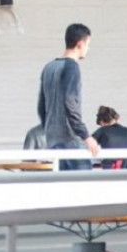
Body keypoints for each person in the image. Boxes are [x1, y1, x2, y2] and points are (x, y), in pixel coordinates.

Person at [38, 23, 100, 171]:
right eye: (87, 45)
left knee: (61, 187)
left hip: (52, 139)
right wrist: (86, 136)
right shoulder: (72, 67)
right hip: (70, 139)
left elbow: (42, 106)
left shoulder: (49, 67)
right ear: (80, 44)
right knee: (84, 186)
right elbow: (70, 103)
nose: (88, 49)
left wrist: (48, 129)